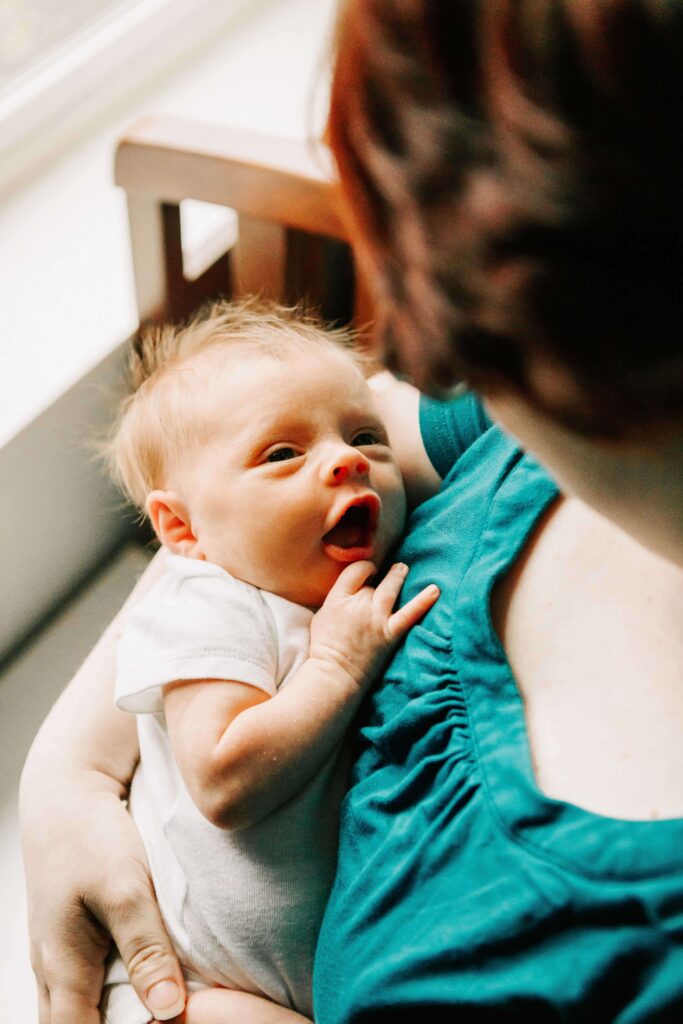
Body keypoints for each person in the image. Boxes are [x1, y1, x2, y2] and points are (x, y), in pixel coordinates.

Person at [19, 0, 683, 1022]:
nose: (409, 359)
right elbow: (236, 529)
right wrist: (62, 775)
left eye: (464, 301)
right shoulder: (488, 436)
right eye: (289, 450)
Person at [97, 299, 439, 1024]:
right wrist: (335, 671)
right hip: (197, 985)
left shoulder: (350, 595)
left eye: (365, 435)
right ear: (184, 528)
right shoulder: (208, 601)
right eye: (282, 454)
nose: (346, 459)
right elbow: (222, 778)